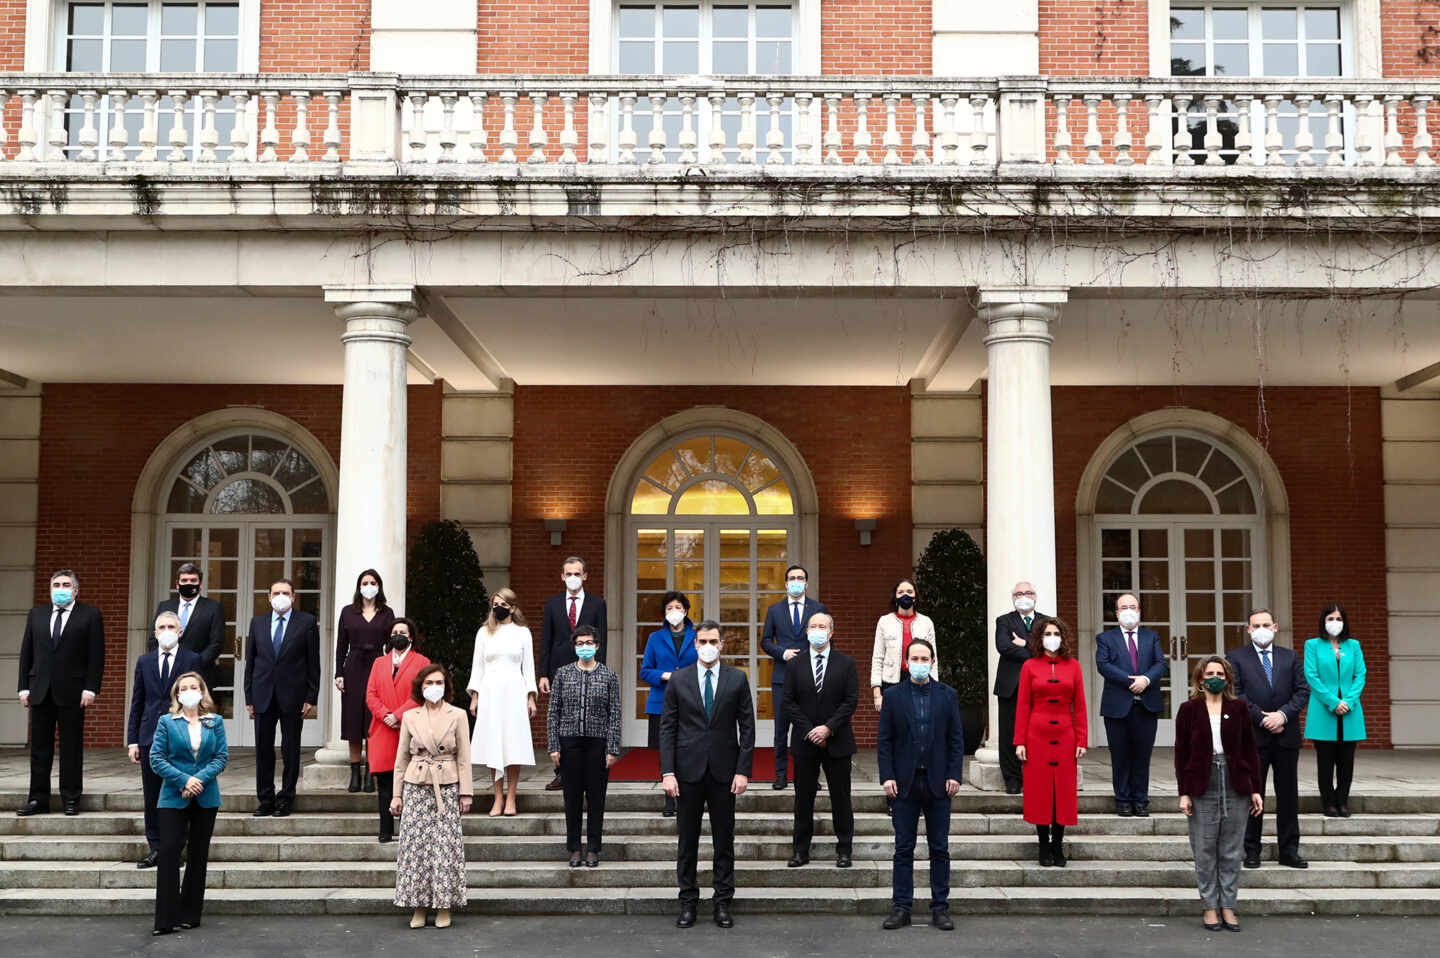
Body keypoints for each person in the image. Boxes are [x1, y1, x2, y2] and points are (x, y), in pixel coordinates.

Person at [660, 619, 755, 930]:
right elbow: (668, 728)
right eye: (702, 641)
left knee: (723, 841)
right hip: (687, 772)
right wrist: (667, 771)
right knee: (687, 842)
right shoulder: (679, 680)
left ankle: (722, 902)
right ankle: (688, 902)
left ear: (722, 644)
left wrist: (743, 771)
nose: (708, 647)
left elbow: (748, 728)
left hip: (724, 773)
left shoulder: (738, 679)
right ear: (695, 644)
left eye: (713, 641)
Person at [877, 638, 964, 931]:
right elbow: (884, 741)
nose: (919, 663)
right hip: (904, 784)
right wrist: (886, 776)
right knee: (904, 848)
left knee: (939, 848)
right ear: (906, 662)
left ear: (932, 662)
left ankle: (940, 908)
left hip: (939, 783)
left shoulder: (947, 695)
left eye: (924, 658)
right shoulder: (893, 697)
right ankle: (902, 907)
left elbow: (955, 739)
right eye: (914, 658)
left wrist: (955, 774)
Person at [1175, 656, 1264, 933]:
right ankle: (1209, 907)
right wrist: (1184, 793)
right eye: (1210, 673)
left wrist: (1255, 789)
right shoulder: (1188, 709)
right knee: (1204, 849)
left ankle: (1228, 905)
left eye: (1220, 673)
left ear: (1228, 679)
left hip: (1235, 780)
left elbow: (1250, 750)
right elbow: (1181, 753)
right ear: (1200, 679)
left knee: (1230, 849)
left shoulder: (1239, 708)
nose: (1215, 677)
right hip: (1203, 782)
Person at [17, 569, 105, 817]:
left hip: (74, 692)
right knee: (40, 749)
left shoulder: (90, 615)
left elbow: (96, 656)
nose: (61, 588)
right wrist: (24, 686)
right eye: (56, 584)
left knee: (71, 748)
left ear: (76, 590)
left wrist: (91, 688)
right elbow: (27, 653)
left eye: (66, 584)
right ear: (50, 589)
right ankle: (38, 799)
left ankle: (71, 798)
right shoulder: (37, 614)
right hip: (40, 691)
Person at [392, 664, 474, 930]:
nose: (433, 687)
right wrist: (396, 795)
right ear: (420, 687)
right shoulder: (410, 716)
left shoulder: (458, 715)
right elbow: (401, 757)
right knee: (416, 848)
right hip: (415, 784)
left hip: (447, 785)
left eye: (438, 682)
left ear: (446, 686)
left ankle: (443, 905)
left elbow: (464, 757)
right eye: (428, 683)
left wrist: (466, 792)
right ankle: (418, 906)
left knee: (444, 848)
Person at [1229, 608, 1310, 870]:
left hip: (1286, 737)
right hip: (1254, 737)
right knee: (1254, 794)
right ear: (1248, 629)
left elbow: (1302, 691)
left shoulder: (1290, 657)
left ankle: (1289, 850)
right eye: (1256, 625)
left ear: (1275, 627)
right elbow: (1237, 693)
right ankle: (1251, 849)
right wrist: (1262, 718)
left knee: (1288, 796)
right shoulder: (1236, 658)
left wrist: (1282, 716)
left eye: (1266, 624)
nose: (1261, 629)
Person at [148, 671, 228, 935]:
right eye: (185, 688)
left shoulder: (214, 721)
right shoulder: (167, 722)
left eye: (195, 686)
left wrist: (197, 781)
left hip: (206, 797)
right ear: (177, 694)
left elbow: (220, 757)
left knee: (198, 855)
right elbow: (156, 758)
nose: (190, 691)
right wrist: (184, 781)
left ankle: (190, 914)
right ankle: (165, 919)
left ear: (202, 691)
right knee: (169, 852)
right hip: (173, 796)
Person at [783, 611, 858, 869]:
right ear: (806, 632)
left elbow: (851, 702)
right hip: (805, 742)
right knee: (803, 798)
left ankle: (845, 849)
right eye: (813, 626)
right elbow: (788, 703)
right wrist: (811, 731)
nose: (817, 630)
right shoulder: (794, 665)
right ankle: (800, 850)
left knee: (841, 797)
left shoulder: (846, 663)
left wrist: (827, 728)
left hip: (838, 741)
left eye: (822, 626)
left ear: (831, 632)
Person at [126, 611, 201, 867]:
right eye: (162, 627)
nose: (167, 630)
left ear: (180, 632)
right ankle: (156, 847)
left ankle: (178, 849)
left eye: (172, 626)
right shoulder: (144, 662)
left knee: (182, 794)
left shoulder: (192, 659)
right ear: (155, 632)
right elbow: (137, 701)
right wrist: (133, 740)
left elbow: (199, 701)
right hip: (150, 738)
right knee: (152, 796)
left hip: (181, 737)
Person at [243, 578, 320, 818]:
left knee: (290, 749)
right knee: (263, 750)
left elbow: (313, 662)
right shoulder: (258, 622)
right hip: (263, 695)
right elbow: (251, 662)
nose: (281, 596)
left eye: (285, 592)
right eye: (276, 592)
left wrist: (311, 696)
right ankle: (265, 798)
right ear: (268, 596)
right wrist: (249, 697)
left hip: (293, 695)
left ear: (293, 597)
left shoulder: (306, 622)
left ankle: (286, 798)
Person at [1014, 616, 1088, 867]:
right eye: (1047, 634)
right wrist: (1019, 741)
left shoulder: (1074, 666)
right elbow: (1022, 705)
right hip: (1036, 735)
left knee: (1063, 793)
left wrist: (1081, 738)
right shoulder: (1030, 666)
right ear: (1039, 638)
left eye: (1056, 633)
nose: (1052, 638)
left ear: (1063, 637)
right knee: (1040, 792)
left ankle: (1058, 845)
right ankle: (1043, 845)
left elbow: (1080, 706)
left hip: (1065, 735)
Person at [546, 625, 622, 867]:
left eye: (589, 643)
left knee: (597, 798)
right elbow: (553, 712)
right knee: (572, 798)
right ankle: (574, 848)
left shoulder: (609, 675)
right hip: (569, 741)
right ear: (574, 646)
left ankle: (594, 848)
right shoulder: (563, 674)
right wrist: (553, 745)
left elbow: (615, 714)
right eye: (580, 643)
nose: (585, 647)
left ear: (597, 646)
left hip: (598, 743)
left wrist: (613, 748)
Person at [539, 557, 609, 792]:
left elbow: (603, 641)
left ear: (585, 576)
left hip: (590, 670)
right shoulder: (552, 603)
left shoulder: (597, 604)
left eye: (577, 573)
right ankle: (561, 772)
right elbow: (546, 640)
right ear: (562, 576)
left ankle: (588, 773)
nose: (572, 578)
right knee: (561, 718)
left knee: (588, 718)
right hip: (559, 670)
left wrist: (602, 673)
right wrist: (543, 674)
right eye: (568, 573)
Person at [1095, 592, 1166, 817]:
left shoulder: (1151, 637)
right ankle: (1123, 801)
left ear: (1139, 611)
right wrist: (1131, 681)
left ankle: (1141, 801)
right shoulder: (1105, 639)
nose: (1128, 611)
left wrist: (1146, 680)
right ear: (1116, 613)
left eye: (1132, 607)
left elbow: (1160, 664)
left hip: (1147, 705)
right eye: (1123, 607)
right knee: (1120, 756)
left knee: (1142, 756)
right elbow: (1103, 665)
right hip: (1117, 706)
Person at [467, 588, 536, 817]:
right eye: (495, 603)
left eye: (504, 604)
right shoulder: (483, 633)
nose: (499, 607)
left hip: (514, 692)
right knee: (493, 743)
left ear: (512, 608)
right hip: (490, 692)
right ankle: (497, 798)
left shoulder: (523, 633)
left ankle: (511, 797)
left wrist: (531, 697)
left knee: (512, 744)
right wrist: (475, 696)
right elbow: (478, 666)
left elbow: (528, 667)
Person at [760, 564, 827, 789]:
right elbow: (766, 641)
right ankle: (780, 774)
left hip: (811, 677)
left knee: (810, 726)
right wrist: (783, 652)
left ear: (806, 583)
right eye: (792, 578)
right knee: (781, 729)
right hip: (782, 677)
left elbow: (828, 639)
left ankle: (811, 775)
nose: (796, 581)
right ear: (786, 583)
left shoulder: (818, 609)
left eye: (800, 578)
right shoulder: (774, 610)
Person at [366, 616, 430, 843]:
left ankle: (408, 831)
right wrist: (385, 715)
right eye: (394, 633)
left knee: (409, 781)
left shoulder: (422, 662)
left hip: (409, 728)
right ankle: (385, 830)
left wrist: (399, 715)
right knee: (384, 782)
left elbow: (421, 694)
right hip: (383, 729)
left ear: (411, 636)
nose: (398, 636)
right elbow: (371, 694)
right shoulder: (378, 663)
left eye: (402, 632)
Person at [1304, 603, 1367, 818]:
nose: (1334, 623)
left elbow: (1360, 675)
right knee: (1325, 761)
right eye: (1330, 619)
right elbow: (1312, 676)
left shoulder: (1353, 646)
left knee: (1346, 762)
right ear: (1323, 621)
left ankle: (1343, 801)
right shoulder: (1312, 645)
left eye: (1338, 619)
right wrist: (1333, 702)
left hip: (1350, 710)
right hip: (1323, 710)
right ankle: (1328, 803)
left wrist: (1348, 700)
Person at [336, 568, 395, 794]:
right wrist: (338, 673)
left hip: (378, 665)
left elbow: (390, 645)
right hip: (353, 666)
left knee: (373, 720)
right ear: (358, 586)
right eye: (364, 582)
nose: (368, 586)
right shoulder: (348, 612)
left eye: (372, 582)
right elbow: (341, 646)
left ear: (378, 586)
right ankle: (354, 774)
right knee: (353, 720)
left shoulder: (386, 613)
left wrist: (392, 670)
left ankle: (371, 772)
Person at [640, 591, 698, 816]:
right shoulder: (655, 638)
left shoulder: (696, 635)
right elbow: (645, 671)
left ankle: (686, 795)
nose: (673, 612)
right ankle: (669, 798)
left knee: (687, 748)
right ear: (664, 613)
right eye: (668, 609)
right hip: (661, 701)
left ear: (685, 610)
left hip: (691, 700)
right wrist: (665, 676)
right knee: (666, 749)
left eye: (677, 607)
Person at [993, 580, 1043, 794]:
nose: (1024, 596)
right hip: (1010, 686)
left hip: (1040, 686)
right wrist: (1035, 649)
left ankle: (1034, 776)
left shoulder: (1047, 621)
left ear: (1035, 596)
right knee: (1008, 733)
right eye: (1019, 593)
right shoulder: (1004, 620)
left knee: (1038, 733)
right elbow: (1004, 647)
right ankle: (1012, 779)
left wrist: (1025, 644)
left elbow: (1052, 649)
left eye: (1028, 592)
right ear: (1013, 597)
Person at [870, 577, 939, 711]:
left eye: (909, 591)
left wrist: (935, 688)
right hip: (892, 682)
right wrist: (877, 694)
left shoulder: (926, 622)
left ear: (915, 596)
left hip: (921, 680)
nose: (905, 595)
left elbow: (934, 659)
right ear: (895, 597)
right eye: (900, 592)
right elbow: (877, 658)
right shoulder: (884, 621)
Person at [150, 562, 224, 681]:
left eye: (193, 580)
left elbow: (216, 643)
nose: (188, 584)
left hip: (200, 674)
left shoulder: (213, 607)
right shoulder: (164, 606)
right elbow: (153, 639)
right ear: (177, 584)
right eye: (184, 581)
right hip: (166, 673)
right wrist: (163, 661)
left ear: (200, 584)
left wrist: (194, 663)